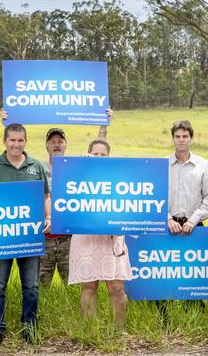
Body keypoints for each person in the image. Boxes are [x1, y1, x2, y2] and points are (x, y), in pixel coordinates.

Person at [0, 109, 114, 286]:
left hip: (69, 238)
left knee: (74, 285)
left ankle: (73, 314)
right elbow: (14, 152)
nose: (57, 144)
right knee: (39, 285)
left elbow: (99, 157)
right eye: (52, 142)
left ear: (66, 145)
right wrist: (8, 122)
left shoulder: (75, 167)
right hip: (44, 237)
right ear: (47, 146)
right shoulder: (36, 169)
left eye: (60, 141)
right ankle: (40, 313)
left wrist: (103, 125)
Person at [0, 123, 51, 345]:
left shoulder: (35, 166)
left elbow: (45, 196)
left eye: (20, 140)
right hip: (1, 239)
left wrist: (48, 217)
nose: (16, 144)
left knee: (32, 287)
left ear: (25, 141)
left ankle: (30, 331)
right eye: (12, 140)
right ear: (4, 141)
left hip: (29, 237)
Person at [68, 138, 131, 329]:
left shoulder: (118, 177)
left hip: (112, 236)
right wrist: (81, 166)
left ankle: (118, 330)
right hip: (86, 236)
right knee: (89, 286)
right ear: (89, 154)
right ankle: (90, 330)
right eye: (95, 154)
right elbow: (67, 194)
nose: (99, 157)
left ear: (109, 157)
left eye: (103, 155)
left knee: (117, 287)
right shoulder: (78, 174)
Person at [158, 120, 208, 322]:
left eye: (185, 136)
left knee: (193, 271)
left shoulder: (203, 165)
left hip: (194, 226)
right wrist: (166, 219)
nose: (181, 140)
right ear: (172, 138)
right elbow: (155, 196)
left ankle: (194, 317)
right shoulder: (162, 165)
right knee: (164, 270)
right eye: (177, 136)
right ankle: (163, 316)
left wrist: (192, 220)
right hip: (166, 225)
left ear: (191, 138)